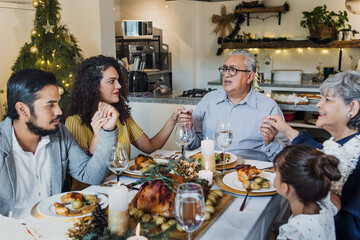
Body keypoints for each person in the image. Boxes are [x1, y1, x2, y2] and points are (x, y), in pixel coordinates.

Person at [0, 69, 118, 218]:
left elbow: (91, 176)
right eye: (50, 105)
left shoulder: (59, 132)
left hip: (56, 226)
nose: (59, 111)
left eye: (58, 103)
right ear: (22, 109)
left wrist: (108, 131)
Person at [263, 70, 360, 239]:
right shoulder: (343, 143)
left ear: (352, 107)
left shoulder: (355, 159)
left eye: (327, 99)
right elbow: (321, 152)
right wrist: (286, 130)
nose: (318, 104)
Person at [65, 55, 184, 189]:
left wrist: (172, 120)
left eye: (118, 80)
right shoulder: (75, 122)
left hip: (119, 186)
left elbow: (150, 146)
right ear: (93, 86)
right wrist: (98, 137)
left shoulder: (120, 116)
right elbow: (89, 175)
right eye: (111, 81)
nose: (119, 85)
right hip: (89, 194)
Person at [184, 49, 289, 161]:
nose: (226, 74)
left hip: (250, 172)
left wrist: (270, 141)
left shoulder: (268, 107)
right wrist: (187, 128)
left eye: (233, 70)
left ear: (250, 77)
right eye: (224, 69)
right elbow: (192, 146)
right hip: (213, 170)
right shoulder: (209, 100)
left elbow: (285, 158)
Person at [274, 145, 341, 240]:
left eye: (276, 172)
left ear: (285, 187)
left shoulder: (294, 231)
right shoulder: (325, 206)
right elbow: (337, 204)